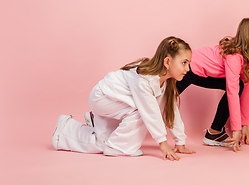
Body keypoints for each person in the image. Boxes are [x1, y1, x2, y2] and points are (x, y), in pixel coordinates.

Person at [52, 36, 195, 161]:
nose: (188, 68)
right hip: (102, 98)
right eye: (184, 63)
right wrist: (163, 144)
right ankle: (118, 147)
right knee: (142, 110)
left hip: (116, 101)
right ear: (167, 62)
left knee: (102, 140)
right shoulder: (144, 80)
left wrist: (180, 142)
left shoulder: (166, 82)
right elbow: (151, 113)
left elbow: (172, 110)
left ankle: (86, 124)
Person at [176, 17, 249, 152]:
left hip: (203, 73)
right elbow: (232, 92)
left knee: (240, 85)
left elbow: (245, 91)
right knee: (162, 98)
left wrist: (244, 124)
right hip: (188, 68)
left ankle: (214, 132)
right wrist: (236, 129)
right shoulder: (234, 57)